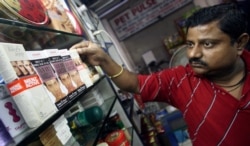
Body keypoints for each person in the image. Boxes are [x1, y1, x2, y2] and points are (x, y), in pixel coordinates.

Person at [70, 3, 250, 146]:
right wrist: (104, 60)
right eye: (190, 44)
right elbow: (134, 83)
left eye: (208, 44)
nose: (193, 54)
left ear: (240, 43)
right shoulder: (180, 80)